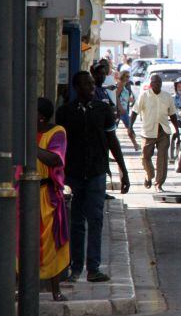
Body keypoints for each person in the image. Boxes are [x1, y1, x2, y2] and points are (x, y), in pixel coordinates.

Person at [56, 71, 117, 283]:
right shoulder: (65, 113)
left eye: (92, 83)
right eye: (86, 84)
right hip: (73, 174)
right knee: (76, 222)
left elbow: (112, 139)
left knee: (96, 219)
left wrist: (123, 171)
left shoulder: (103, 109)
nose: (91, 87)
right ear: (76, 87)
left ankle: (94, 268)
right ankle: (76, 267)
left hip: (96, 172)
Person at [28, 97, 70, 301]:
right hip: (23, 193)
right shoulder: (22, 131)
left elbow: (55, 159)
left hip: (47, 194)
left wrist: (29, 146)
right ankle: (21, 288)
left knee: (51, 241)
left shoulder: (57, 132)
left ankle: (56, 290)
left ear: (41, 117)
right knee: (22, 239)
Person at [129, 74, 179, 193]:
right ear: (151, 84)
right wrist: (130, 127)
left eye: (159, 82)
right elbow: (135, 111)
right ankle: (149, 175)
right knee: (145, 157)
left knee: (162, 158)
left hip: (163, 131)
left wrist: (177, 129)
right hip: (148, 131)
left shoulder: (167, 97)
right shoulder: (144, 96)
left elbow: (172, 114)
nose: (158, 84)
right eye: (155, 82)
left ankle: (159, 183)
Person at [90, 63, 130, 197]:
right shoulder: (93, 92)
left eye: (103, 73)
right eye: (98, 74)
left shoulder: (102, 90)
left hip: (106, 135)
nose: (101, 76)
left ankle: (103, 190)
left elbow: (111, 105)